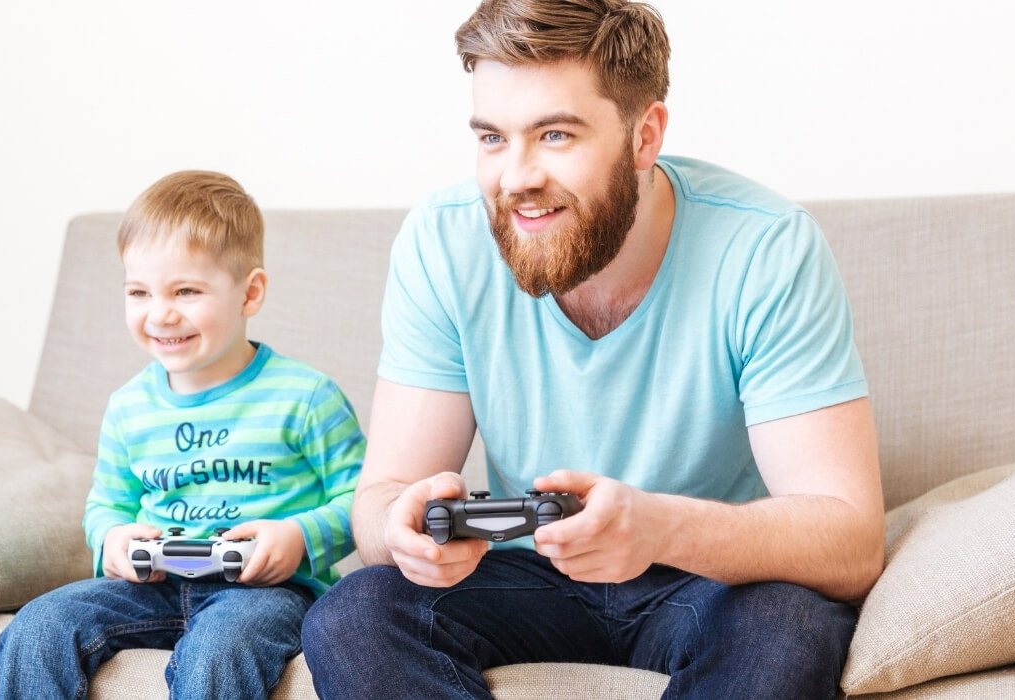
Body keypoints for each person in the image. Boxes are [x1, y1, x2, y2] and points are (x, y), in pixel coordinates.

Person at [300, 1, 884, 698]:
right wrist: (400, 529)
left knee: (789, 625)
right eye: (492, 138)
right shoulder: (443, 240)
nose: (516, 177)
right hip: (526, 574)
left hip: (705, 579)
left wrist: (660, 528)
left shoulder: (766, 248)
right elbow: (382, 500)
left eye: (554, 134)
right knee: (354, 613)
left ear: (645, 135)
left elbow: (851, 542)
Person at [0, 170, 365, 700]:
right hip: (156, 586)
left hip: (264, 592)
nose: (160, 313)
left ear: (249, 292)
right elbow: (106, 506)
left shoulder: (304, 397)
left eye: (186, 291)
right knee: (36, 628)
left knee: (220, 651)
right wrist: (112, 540)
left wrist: (299, 536)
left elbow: (364, 499)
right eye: (139, 292)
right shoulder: (128, 408)